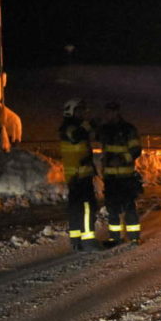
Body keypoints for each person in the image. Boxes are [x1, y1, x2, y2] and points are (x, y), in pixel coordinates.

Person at [98, 101, 144, 246]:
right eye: (107, 112)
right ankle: (115, 238)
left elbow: (136, 150)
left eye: (111, 112)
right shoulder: (104, 129)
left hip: (126, 176)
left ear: (117, 112)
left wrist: (122, 159)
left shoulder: (128, 129)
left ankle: (134, 237)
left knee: (129, 207)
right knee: (112, 209)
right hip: (110, 178)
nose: (108, 115)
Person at [59, 98, 101, 252]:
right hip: (79, 176)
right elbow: (76, 136)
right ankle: (88, 240)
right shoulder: (69, 127)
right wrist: (90, 124)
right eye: (79, 110)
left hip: (78, 176)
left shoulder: (71, 127)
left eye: (83, 110)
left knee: (76, 208)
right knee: (87, 207)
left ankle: (76, 240)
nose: (83, 113)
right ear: (70, 111)